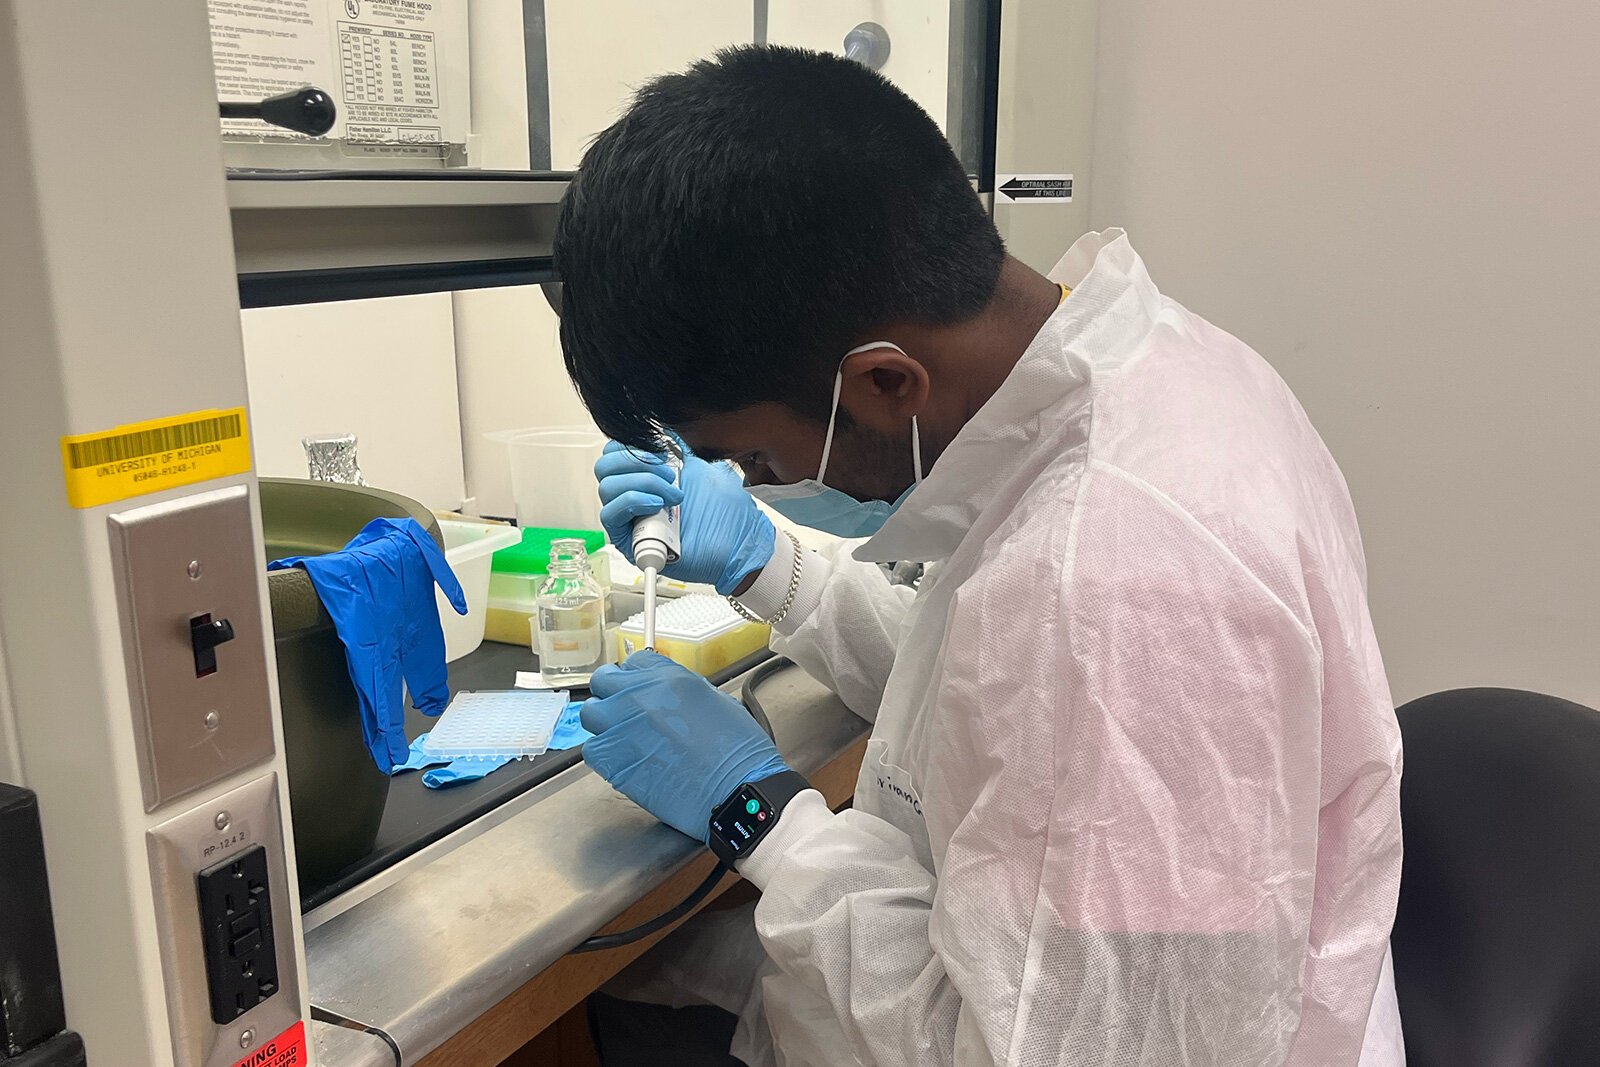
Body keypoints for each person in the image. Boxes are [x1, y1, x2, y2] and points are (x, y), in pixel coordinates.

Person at [555, 45, 1404, 1067]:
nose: (764, 481)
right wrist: (765, 565)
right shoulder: (1137, 371)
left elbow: (1037, 1050)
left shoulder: (1114, 581)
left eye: (754, 454)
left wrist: (761, 812)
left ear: (882, 383)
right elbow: (989, 690)